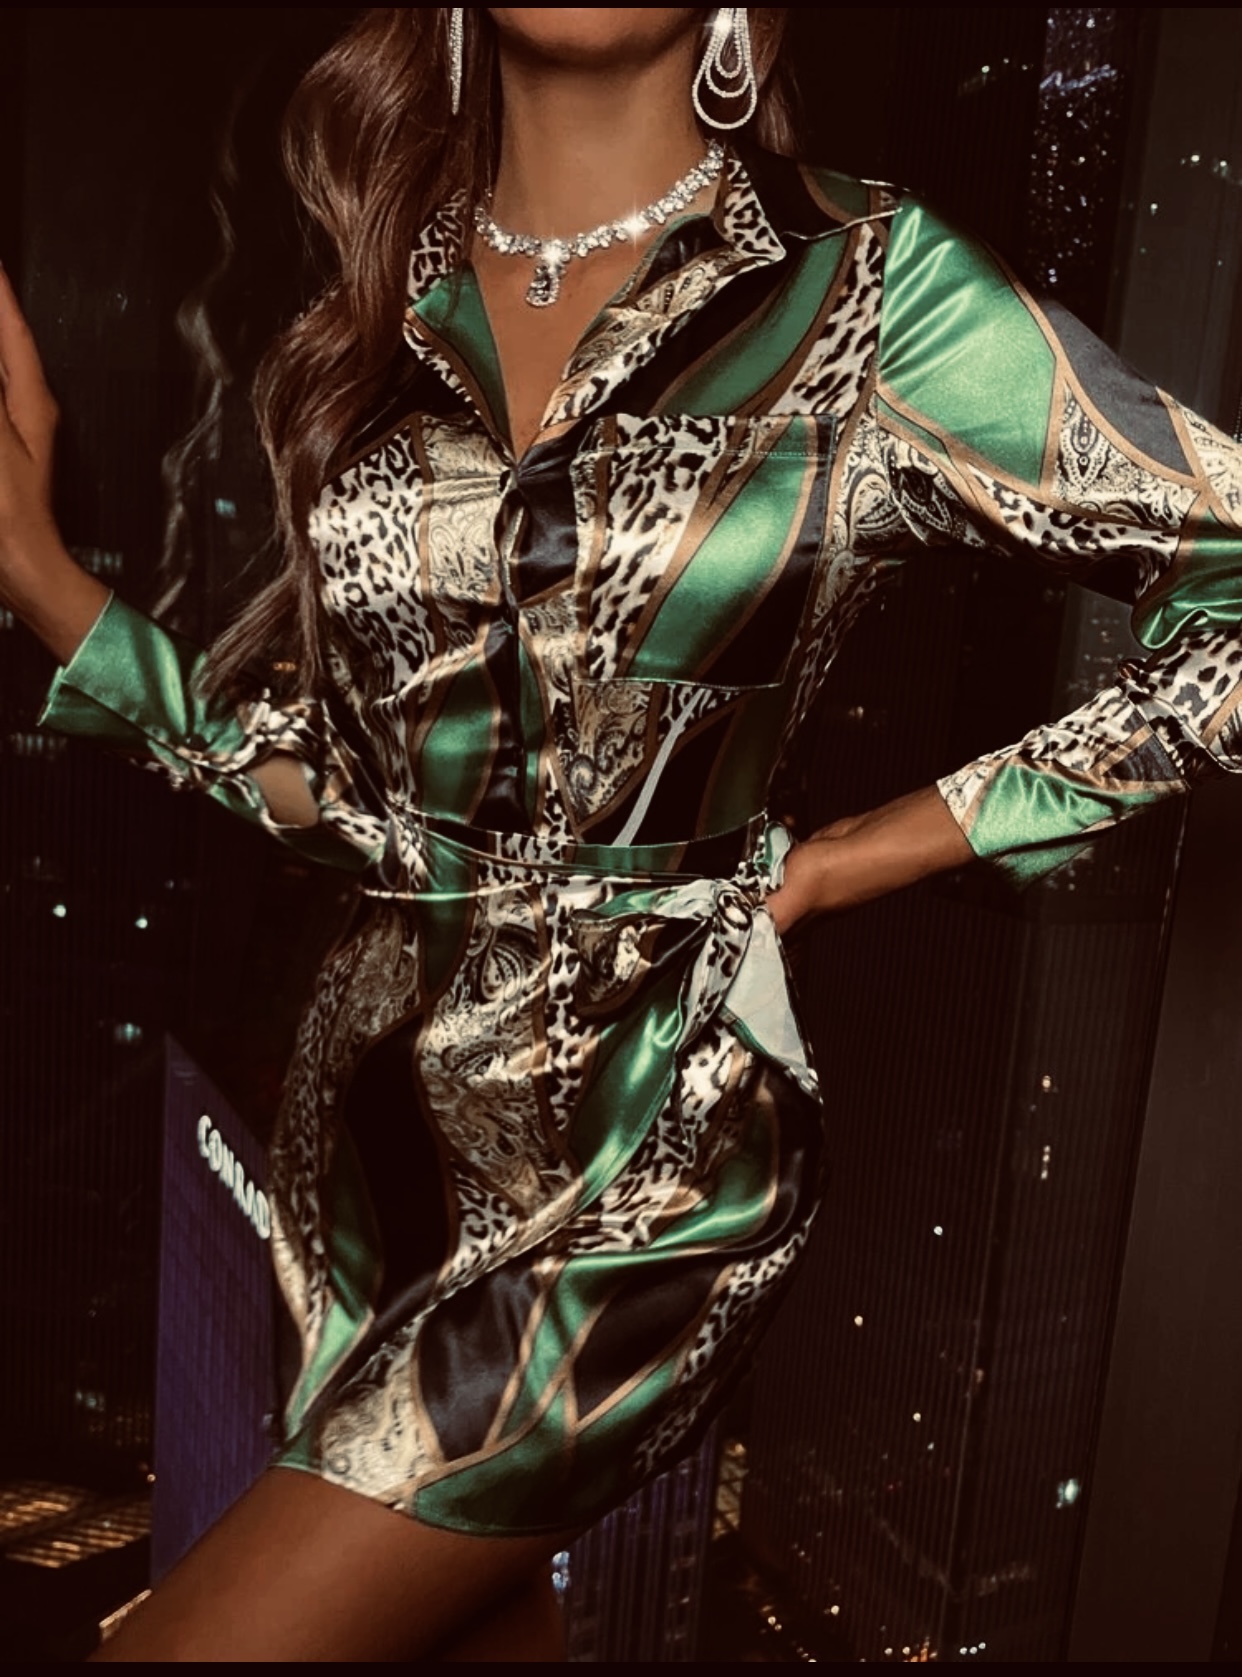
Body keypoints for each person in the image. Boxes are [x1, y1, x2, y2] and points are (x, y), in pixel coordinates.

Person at [2, 5, 1241, 1663]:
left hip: (648, 1161)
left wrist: (858, 853)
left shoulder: (865, 291)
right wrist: (48, 586)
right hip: (369, 1144)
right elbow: (359, 811)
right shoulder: (389, 289)